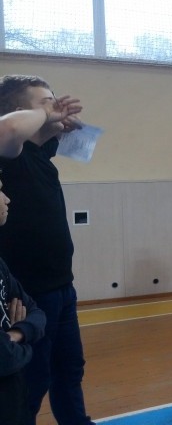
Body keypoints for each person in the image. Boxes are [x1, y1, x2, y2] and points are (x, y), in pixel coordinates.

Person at [0, 75, 95, 425]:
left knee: (69, 369)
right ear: (17, 110)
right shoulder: (12, 154)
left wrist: (61, 122)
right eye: (45, 102)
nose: (55, 108)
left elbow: (73, 138)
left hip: (61, 287)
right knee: (32, 380)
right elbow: (9, 129)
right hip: (31, 295)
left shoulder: (39, 152)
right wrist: (47, 116)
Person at [0, 178, 47, 425]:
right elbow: (4, 358)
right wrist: (24, 344)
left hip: (13, 397)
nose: (7, 199)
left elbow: (36, 313)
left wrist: (15, 334)